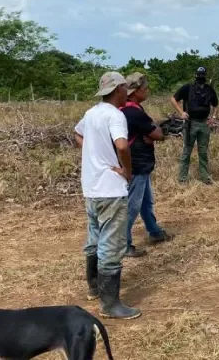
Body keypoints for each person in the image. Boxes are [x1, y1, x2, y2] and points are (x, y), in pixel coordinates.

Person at [73, 71, 140, 319]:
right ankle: (110, 304)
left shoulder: (91, 113)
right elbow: (122, 145)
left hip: (91, 187)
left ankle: (93, 288)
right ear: (117, 89)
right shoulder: (115, 115)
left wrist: (94, 155)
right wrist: (127, 170)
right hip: (110, 189)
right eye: (125, 87)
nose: (127, 92)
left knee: (94, 238)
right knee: (111, 244)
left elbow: (78, 133)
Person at [120, 72, 173, 258]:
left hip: (139, 164)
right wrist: (155, 133)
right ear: (135, 92)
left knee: (146, 202)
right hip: (137, 165)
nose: (148, 90)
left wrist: (152, 134)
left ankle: (155, 231)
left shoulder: (125, 109)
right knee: (133, 206)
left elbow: (152, 133)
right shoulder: (134, 112)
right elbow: (158, 134)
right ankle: (123, 244)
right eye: (145, 88)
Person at [171, 67, 219, 185]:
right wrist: (181, 112)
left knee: (203, 152)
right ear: (196, 76)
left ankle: (205, 177)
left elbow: (215, 104)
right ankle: (182, 179)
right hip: (190, 123)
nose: (200, 78)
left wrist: (213, 117)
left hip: (204, 123)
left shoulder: (209, 89)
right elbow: (173, 98)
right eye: (199, 76)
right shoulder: (188, 88)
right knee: (187, 151)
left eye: (202, 76)